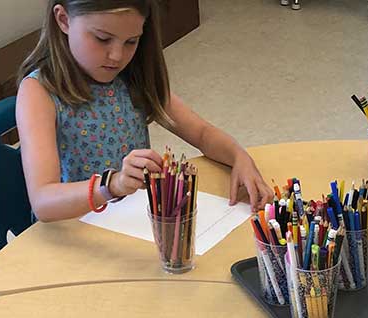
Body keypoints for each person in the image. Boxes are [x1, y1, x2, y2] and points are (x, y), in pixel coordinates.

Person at [16, 0, 272, 222]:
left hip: (133, 224)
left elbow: (202, 133)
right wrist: (112, 185)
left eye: (131, 41)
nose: (117, 56)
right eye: (102, 38)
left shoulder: (132, 75)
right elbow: (43, 201)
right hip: (73, 232)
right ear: (63, 20)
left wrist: (239, 157)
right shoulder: (38, 92)